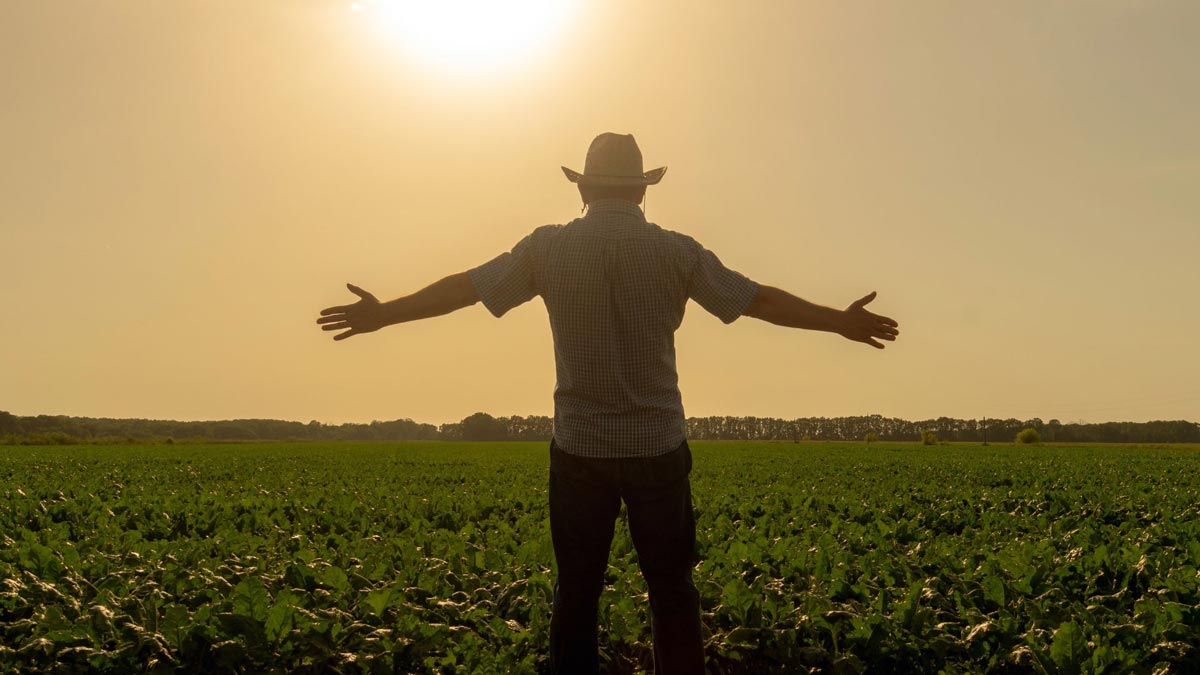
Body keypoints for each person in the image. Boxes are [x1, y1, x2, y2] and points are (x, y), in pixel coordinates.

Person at [316, 132, 899, 674]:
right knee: (672, 588)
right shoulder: (678, 252)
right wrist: (837, 323)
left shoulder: (547, 249)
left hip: (579, 450)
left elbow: (463, 290)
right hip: (659, 448)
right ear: (644, 191)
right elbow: (758, 301)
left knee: (577, 591)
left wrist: (385, 313)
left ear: (584, 189)